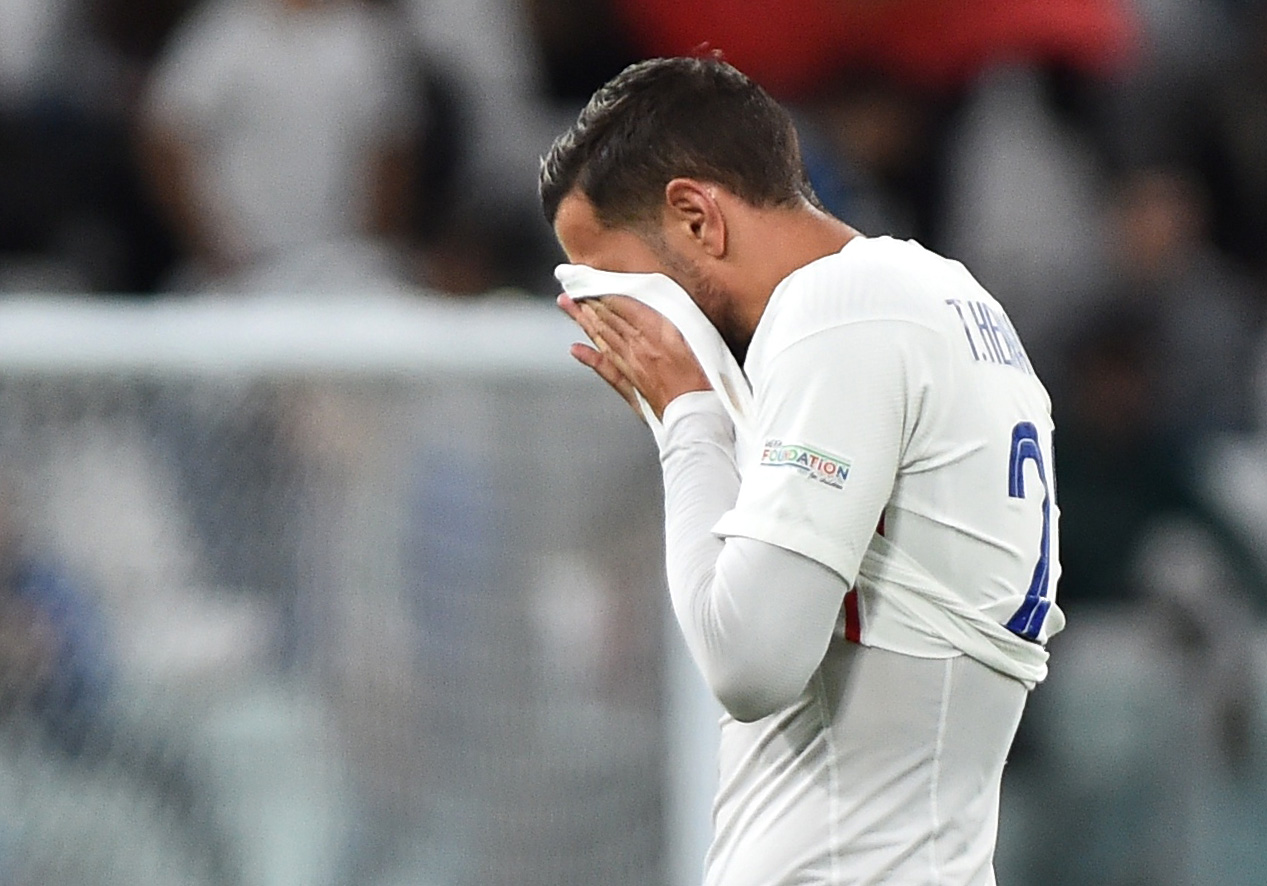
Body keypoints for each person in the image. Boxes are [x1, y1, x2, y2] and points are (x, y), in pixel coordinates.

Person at [540, 56, 1064, 885]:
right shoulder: (949, 299)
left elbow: (750, 661)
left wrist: (689, 420)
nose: (614, 320)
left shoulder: (836, 310)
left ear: (696, 218)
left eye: (613, 280)